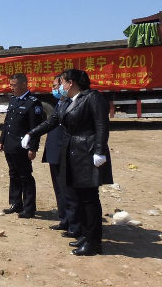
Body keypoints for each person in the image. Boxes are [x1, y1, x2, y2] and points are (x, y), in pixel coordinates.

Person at [22, 69, 112, 256]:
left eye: (62, 82)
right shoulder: (67, 101)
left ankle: (94, 243)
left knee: (89, 199)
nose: (60, 86)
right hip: (72, 153)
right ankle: (85, 235)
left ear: (71, 83)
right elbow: (52, 121)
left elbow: (101, 125)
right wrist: (32, 133)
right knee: (78, 197)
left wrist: (99, 151)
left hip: (87, 153)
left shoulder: (91, 98)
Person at [0, 73, 43, 218]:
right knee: (13, 174)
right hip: (10, 144)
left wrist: (33, 148)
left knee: (25, 176)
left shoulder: (33, 102)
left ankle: (29, 208)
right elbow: (7, 122)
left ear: (24, 84)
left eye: (14, 85)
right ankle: (16, 203)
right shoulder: (13, 100)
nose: (11, 87)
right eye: (10, 85)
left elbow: (35, 128)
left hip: (22, 147)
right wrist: (2, 139)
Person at [43, 74, 80, 237]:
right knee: (59, 188)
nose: (55, 89)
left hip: (65, 151)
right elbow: (50, 123)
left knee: (68, 189)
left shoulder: (74, 103)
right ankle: (64, 219)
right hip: (55, 150)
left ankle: (74, 224)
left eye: (57, 85)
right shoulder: (61, 102)